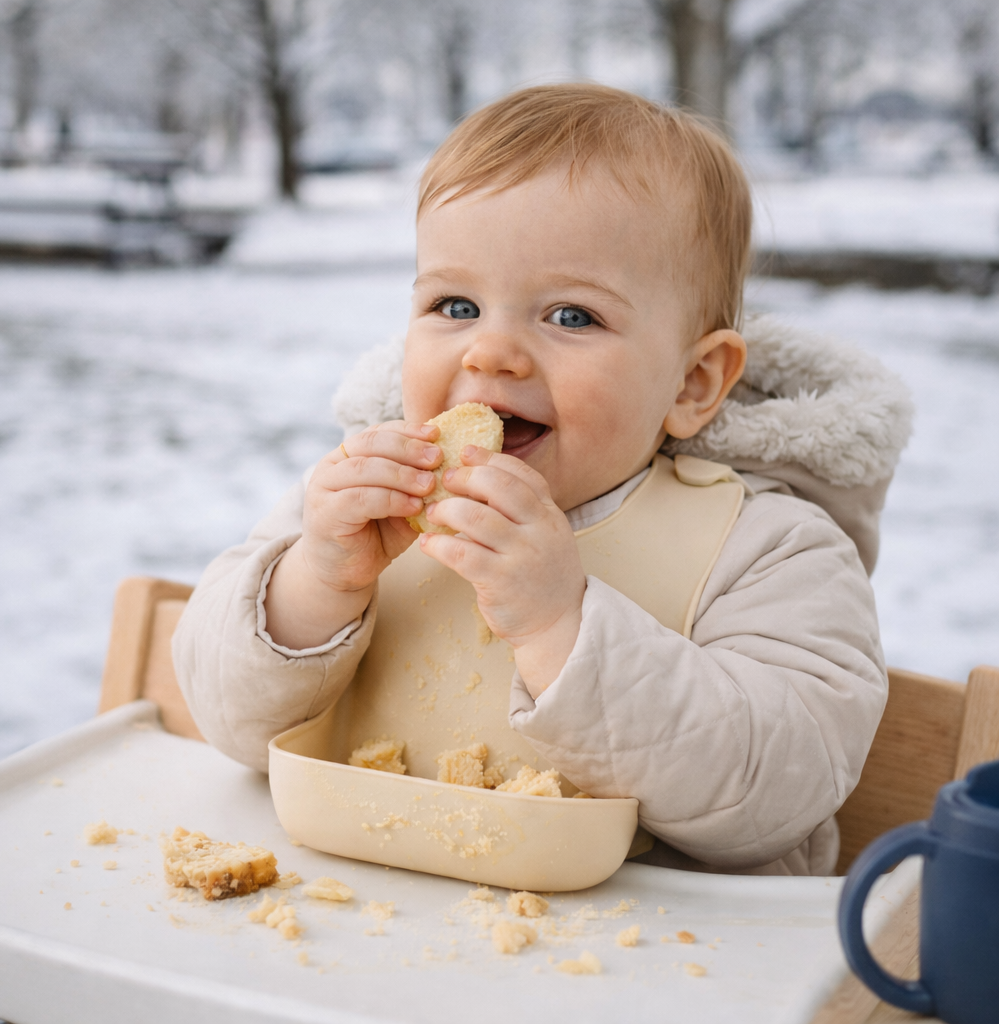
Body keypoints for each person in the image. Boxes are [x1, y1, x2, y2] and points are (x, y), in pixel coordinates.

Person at [173, 84, 913, 875]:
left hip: (646, 968)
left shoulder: (769, 549)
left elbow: (778, 788)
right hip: (361, 931)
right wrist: (314, 585)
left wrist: (563, 629)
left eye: (570, 317)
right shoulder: (359, 508)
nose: (490, 353)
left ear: (692, 384)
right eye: (455, 304)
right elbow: (227, 718)